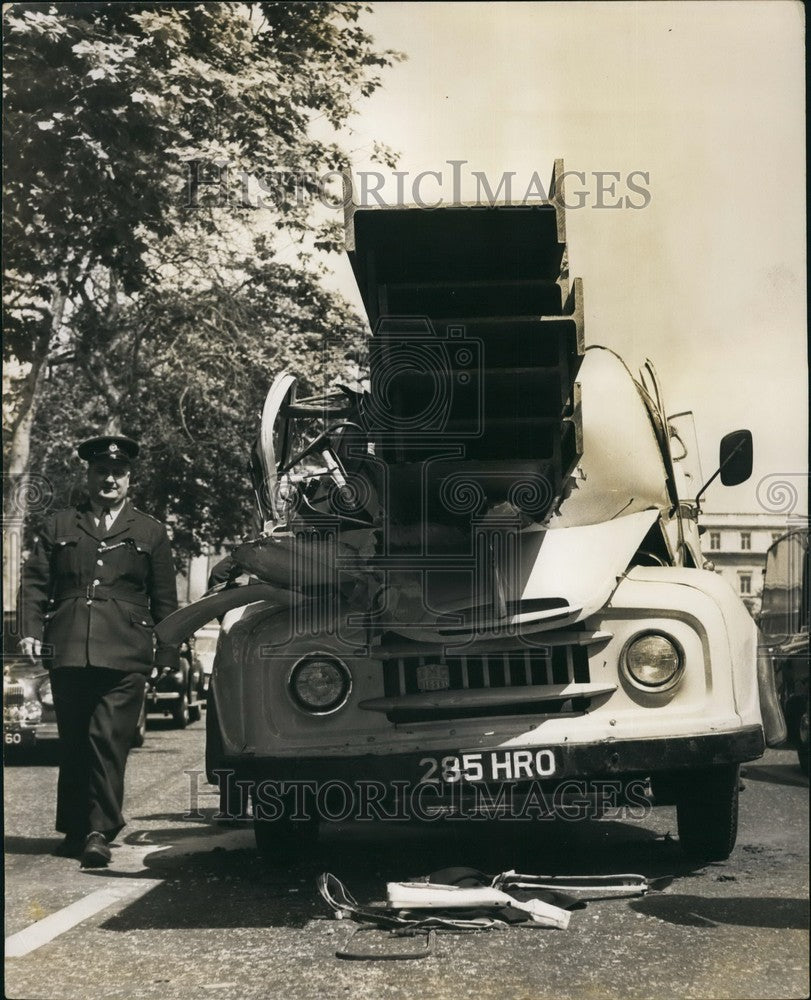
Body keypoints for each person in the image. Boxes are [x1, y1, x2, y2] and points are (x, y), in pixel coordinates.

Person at [17, 435, 179, 868]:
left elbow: (165, 599)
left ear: (130, 479)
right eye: (101, 472)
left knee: (106, 739)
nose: (109, 479)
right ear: (87, 476)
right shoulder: (60, 525)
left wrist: (167, 654)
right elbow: (34, 583)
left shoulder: (150, 531)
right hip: (69, 646)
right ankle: (74, 828)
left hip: (126, 651)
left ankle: (98, 830)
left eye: (118, 473)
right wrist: (30, 629)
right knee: (73, 740)